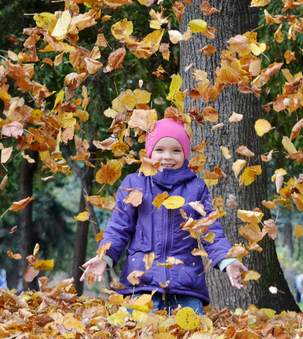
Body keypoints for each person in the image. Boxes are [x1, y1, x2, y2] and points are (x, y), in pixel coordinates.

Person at [81, 118, 248, 314]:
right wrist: (105, 256)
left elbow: (210, 229)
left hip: (186, 286)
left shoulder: (196, 187)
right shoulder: (134, 183)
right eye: (160, 150)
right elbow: (119, 227)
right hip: (141, 284)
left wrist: (227, 260)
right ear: (150, 151)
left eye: (176, 150)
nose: (167, 156)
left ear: (185, 154)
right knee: (137, 338)